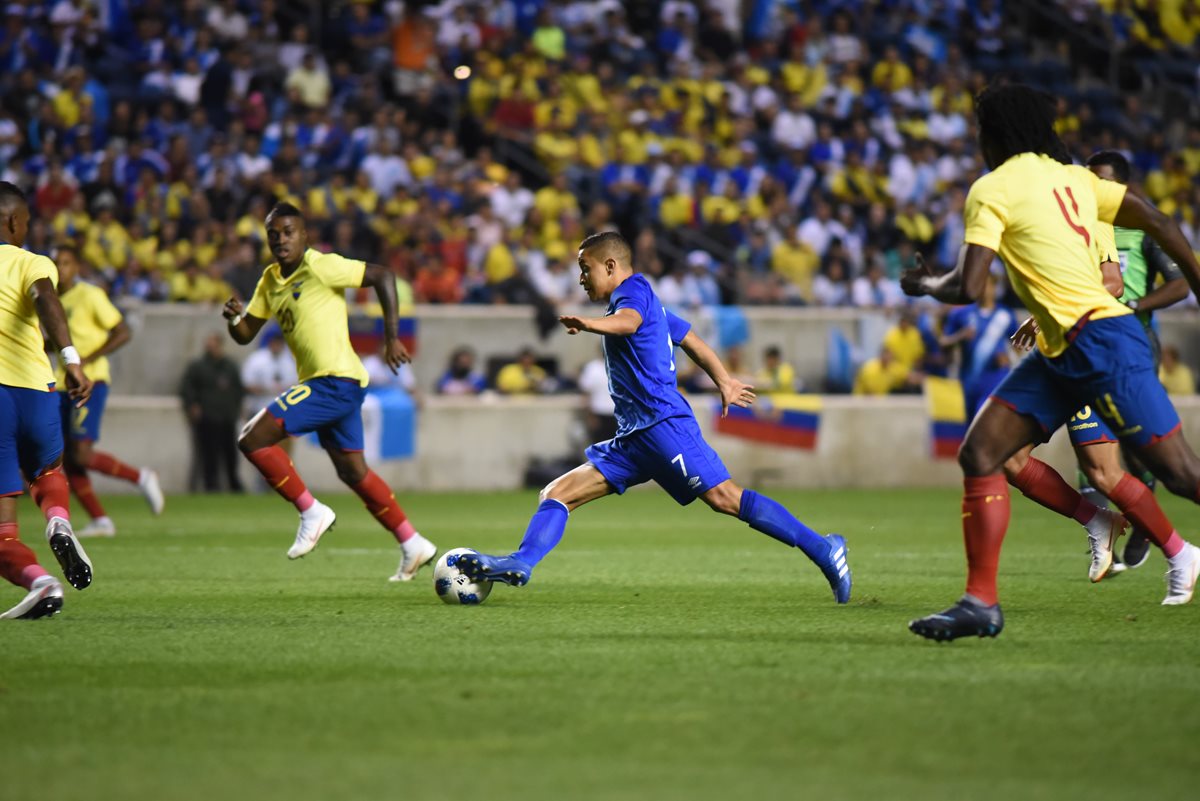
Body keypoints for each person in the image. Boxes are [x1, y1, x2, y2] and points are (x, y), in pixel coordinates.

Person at [901, 84, 1200, 641]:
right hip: (1064, 347)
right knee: (985, 451)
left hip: (1102, 342)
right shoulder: (1079, 179)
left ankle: (1175, 552)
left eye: (979, 128)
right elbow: (1160, 220)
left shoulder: (992, 188)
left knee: (1182, 474)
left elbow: (967, 287)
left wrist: (925, 284)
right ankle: (980, 604)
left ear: (994, 132)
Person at [456, 232, 852, 605]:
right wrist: (725, 380)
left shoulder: (634, 293)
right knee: (557, 493)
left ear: (610, 266)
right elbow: (690, 338)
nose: (580, 279)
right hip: (632, 439)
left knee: (724, 498)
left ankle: (825, 550)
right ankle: (522, 562)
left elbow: (628, 324)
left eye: (585, 268)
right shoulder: (647, 302)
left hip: (664, 426)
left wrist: (589, 323)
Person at [222, 203, 436, 582]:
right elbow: (246, 335)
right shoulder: (270, 279)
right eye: (274, 234)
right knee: (353, 471)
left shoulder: (321, 265)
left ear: (304, 236)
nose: (281, 239)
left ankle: (311, 511)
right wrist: (235, 318)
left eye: (289, 231)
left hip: (331, 381)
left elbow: (383, 277)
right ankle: (412, 541)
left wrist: (390, 338)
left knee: (252, 439)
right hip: (336, 384)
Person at [0, 182, 93, 618]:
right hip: (38, 392)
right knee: (48, 470)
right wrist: (71, 360)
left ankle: (41, 583)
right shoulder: (32, 262)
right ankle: (59, 518)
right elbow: (45, 298)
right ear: (16, 222)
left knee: (2, 532)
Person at [53, 245, 164, 538]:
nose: (60, 269)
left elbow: (123, 331)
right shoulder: (50, 299)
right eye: (56, 263)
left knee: (82, 453)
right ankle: (101, 520)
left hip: (90, 381)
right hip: (60, 383)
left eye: (65, 263)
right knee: (66, 456)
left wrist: (87, 360)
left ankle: (141, 477)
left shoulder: (90, 295)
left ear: (76, 267)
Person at [939, 271, 1018, 418]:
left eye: (987, 284)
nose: (983, 289)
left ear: (994, 287)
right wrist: (960, 336)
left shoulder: (1005, 315)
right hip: (970, 380)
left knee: (984, 420)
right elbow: (943, 342)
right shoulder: (961, 314)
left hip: (997, 378)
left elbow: (1018, 346)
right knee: (972, 427)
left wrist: (1009, 358)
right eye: (979, 284)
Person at [180, 334, 246, 493]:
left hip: (227, 417)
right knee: (209, 454)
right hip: (208, 417)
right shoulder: (198, 366)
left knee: (230, 453)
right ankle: (211, 485)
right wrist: (192, 405)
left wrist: (237, 409)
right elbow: (186, 388)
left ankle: (234, 484)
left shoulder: (230, 366)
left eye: (214, 345)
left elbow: (239, 389)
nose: (211, 348)